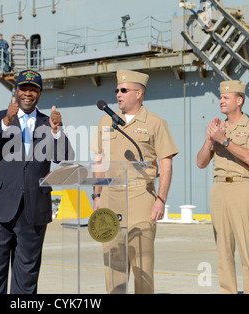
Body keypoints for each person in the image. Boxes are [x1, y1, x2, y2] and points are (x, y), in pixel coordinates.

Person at [0, 69, 74, 294]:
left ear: (39, 94)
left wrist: (57, 132)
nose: (28, 93)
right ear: (16, 91)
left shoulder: (48, 122)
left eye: (33, 89)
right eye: (24, 88)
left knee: (27, 276)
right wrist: (6, 121)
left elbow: (65, 157)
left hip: (34, 209)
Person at [91, 70, 178, 294]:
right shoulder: (105, 120)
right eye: (117, 90)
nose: (118, 94)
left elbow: (166, 163)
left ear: (139, 94)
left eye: (123, 90)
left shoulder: (156, 123)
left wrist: (161, 199)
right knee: (113, 269)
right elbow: (99, 160)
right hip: (110, 198)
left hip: (141, 198)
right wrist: (97, 196)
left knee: (142, 268)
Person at [197, 80, 249, 294]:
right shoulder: (219, 128)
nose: (221, 101)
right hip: (219, 189)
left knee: (248, 249)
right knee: (224, 250)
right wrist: (210, 139)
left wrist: (224, 140)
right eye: (220, 97)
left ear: (239, 100)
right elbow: (200, 163)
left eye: (226, 98)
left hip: (242, 188)